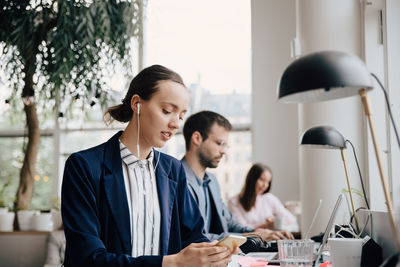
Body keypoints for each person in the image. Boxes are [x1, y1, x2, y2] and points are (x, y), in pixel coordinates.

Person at [61, 65, 233, 267]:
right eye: (167, 111)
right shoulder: (84, 167)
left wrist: (214, 254)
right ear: (137, 104)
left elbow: (193, 237)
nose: (175, 124)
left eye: (180, 115)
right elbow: (87, 259)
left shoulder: (173, 170)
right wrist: (171, 263)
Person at [181, 110, 293, 242]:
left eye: (225, 145)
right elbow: (193, 238)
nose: (223, 151)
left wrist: (260, 233)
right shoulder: (177, 181)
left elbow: (229, 223)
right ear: (197, 138)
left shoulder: (212, 181)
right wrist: (253, 237)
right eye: (219, 143)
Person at [228, 163, 297, 231]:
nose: (265, 185)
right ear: (252, 179)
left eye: (268, 182)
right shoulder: (234, 202)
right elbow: (240, 228)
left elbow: (291, 219)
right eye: (262, 180)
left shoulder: (269, 198)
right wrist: (265, 225)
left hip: (270, 239)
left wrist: (275, 221)